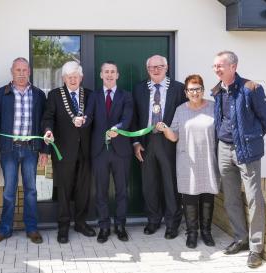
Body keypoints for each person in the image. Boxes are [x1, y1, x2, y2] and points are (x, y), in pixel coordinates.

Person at [0, 57, 49, 244]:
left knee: (31, 190)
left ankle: (32, 228)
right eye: (18, 70)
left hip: (31, 149)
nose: (21, 73)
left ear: (29, 72)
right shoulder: (1, 93)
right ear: (12, 72)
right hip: (9, 149)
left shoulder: (39, 94)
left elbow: (45, 122)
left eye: (24, 70)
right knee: (9, 191)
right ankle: (5, 229)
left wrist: (45, 149)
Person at [211, 51, 266, 268]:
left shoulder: (251, 88)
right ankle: (241, 238)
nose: (217, 69)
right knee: (229, 196)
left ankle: (256, 248)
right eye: (215, 66)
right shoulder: (218, 90)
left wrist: (251, 138)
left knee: (253, 197)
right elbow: (220, 120)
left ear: (233, 66)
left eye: (220, 66)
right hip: (224, 149)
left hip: (246, 150)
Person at [157, 74, 219, 249]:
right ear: (186, 92)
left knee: (208, 195)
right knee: (189, 197)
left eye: (197, 88)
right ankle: (192, 233)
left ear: (203, 90)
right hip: (187, 159)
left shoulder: (214, 107)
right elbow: (174, 136)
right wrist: (165, 129)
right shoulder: (180, 109)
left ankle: (206, 232)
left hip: (208, 158)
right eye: (191, 89)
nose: (194, 92)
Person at [132, 55, 187, 239]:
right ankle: (153, 220)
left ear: (167, 67)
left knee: (170, 184)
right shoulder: (139, 89)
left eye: (160, 66)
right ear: (147, 69)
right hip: (146, 140)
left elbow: (184, 116)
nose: (156, 70)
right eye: (152, 67)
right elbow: (134, 117)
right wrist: (136, 142)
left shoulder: (178, 88)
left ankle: (172, 223)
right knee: (149, 183)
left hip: (168, 141)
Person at [42, 61, 95, 244]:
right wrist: (48, 130)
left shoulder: (89, 95)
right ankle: (63, 226)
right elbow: (48, 117)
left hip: (86, 151)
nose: (73, 79)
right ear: (63, 78)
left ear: (81, 77)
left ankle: (81, 223)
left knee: (83, 190)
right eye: (69, 76)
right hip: (63, 151)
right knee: (64, 191)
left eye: (76, 76)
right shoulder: (55, 95)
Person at [83, 61, 133, 243]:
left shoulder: (126, 96)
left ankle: (120, 226)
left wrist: (117, 128)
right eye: (106, 72)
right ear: (101, 75)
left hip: (121, 151)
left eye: (113, 72)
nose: (110, 75)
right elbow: (89, 116)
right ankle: (104, 226)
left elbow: (127, 118)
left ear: (117, 75)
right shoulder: (94, 96)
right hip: (99, 151)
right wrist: (82, 120)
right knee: (101, 192)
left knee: (122, 191)